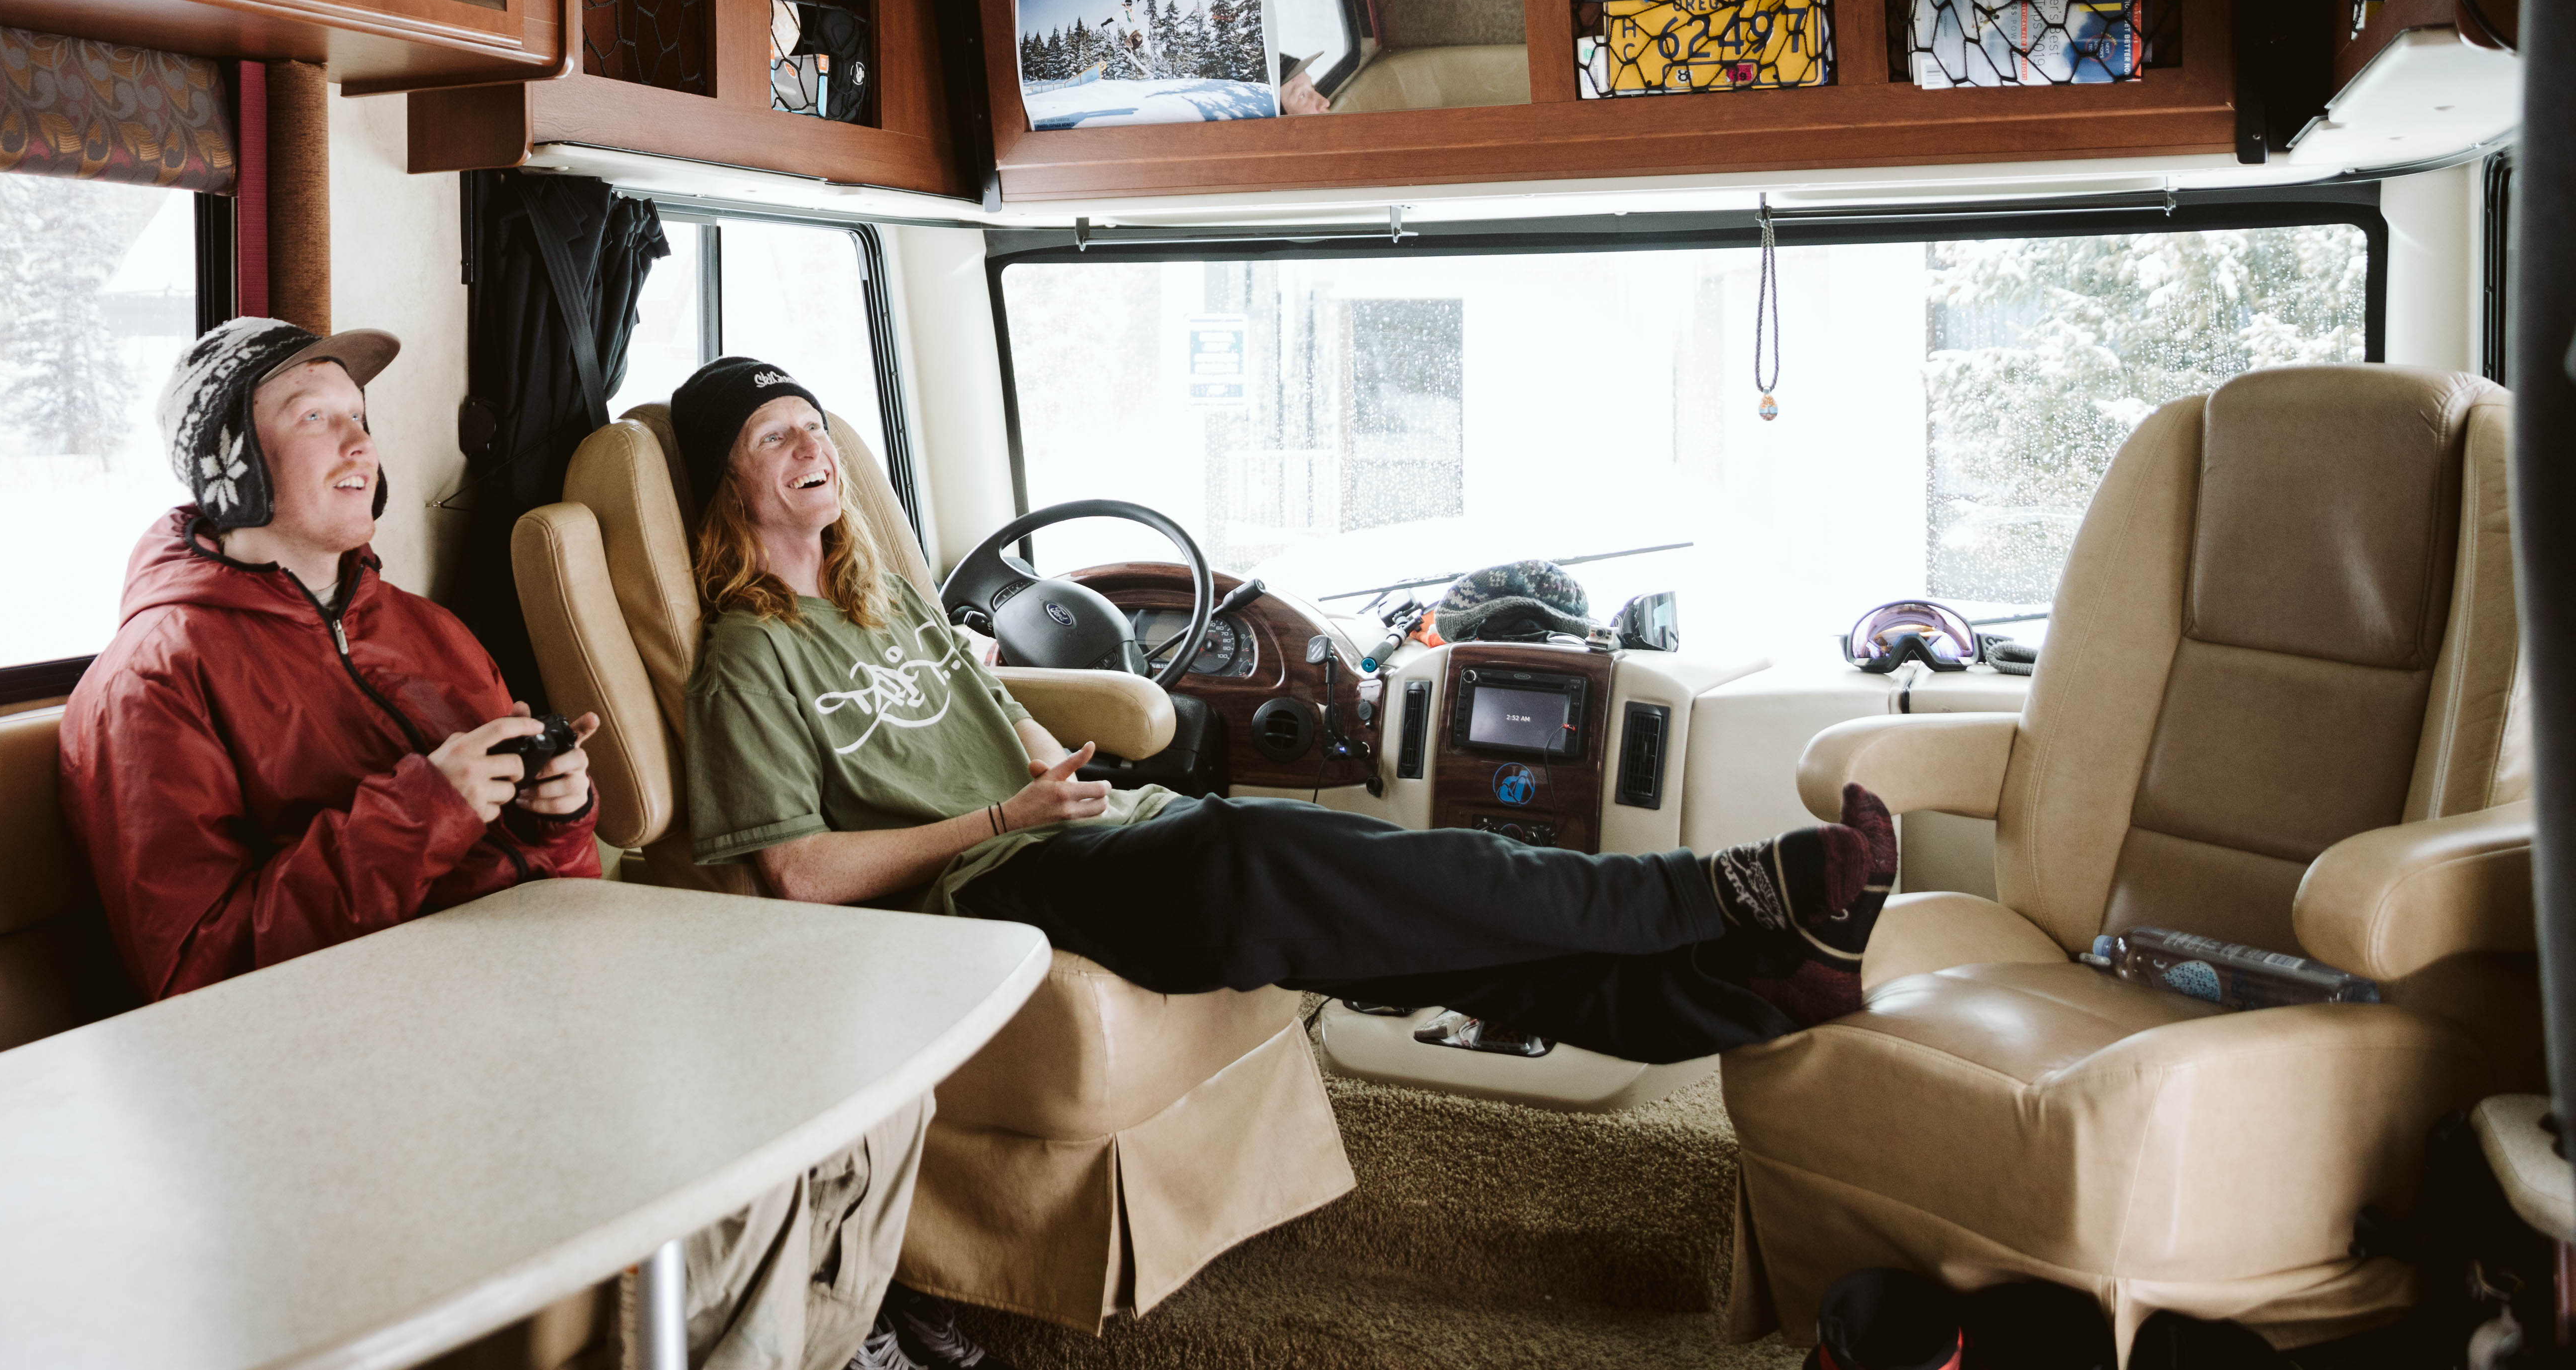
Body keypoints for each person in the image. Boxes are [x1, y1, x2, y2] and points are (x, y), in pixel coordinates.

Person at [58, 318, 971, 1370]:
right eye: (316, 418)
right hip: (350, 1065)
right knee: (738, 1138)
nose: (358, 445)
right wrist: (422, 804)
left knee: (879, 1072)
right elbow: (195, 981)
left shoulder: (427, 632)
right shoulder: (155, 679)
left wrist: (556, 812)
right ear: (226, 462)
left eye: (363, 419)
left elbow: (563, 876)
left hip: (529, 997)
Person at [669, 355, 1899, 1067]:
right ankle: (1700, 894)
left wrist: (1059, 764)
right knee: (1255, 849)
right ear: (730, 481)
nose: (808, 444)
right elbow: (799, 875)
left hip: (1071, 829)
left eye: (814, 422)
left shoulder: (886, 593)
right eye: (773, 437)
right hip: (976, 894)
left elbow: (989, 709)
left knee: (1395, 893)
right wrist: (1006, 810)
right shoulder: (745, 659)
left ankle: (1742, 994)